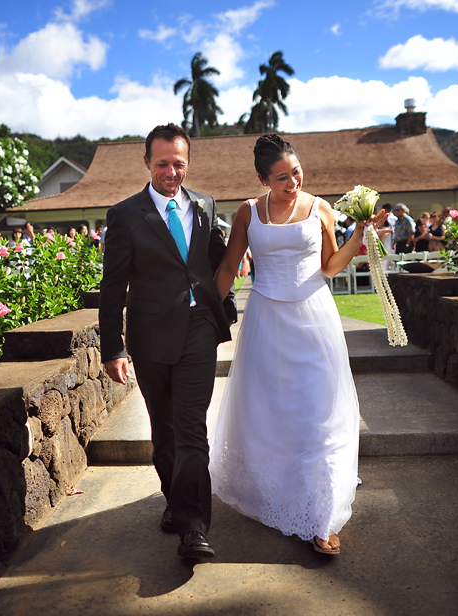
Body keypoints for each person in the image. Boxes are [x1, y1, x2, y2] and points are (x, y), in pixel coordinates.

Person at [210, 134, 388, 556]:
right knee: (274, 415)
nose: (292, 182)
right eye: (281, 178)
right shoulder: (248, 213)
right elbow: (227, 269)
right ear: (262, 178)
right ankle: (278, 495)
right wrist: (198, 313)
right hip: (267, 324)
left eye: (296, 172)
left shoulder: (320, 208)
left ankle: (320, 519)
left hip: (315, 323)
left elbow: (330, 266)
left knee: (317, 417)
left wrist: (359, 234)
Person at [99, 123, 236, 560]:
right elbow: (113, 286)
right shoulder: (125, 215)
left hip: (200, 330)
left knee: (193, 427)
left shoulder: (205, 205)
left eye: (179, 163)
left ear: (188, 162)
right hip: (150, 337)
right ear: (147, 163)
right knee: (166, 433)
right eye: (163, 163)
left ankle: (194, 529)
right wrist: (113, 347)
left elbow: (214, 260)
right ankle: (174, 502)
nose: (171, 172)